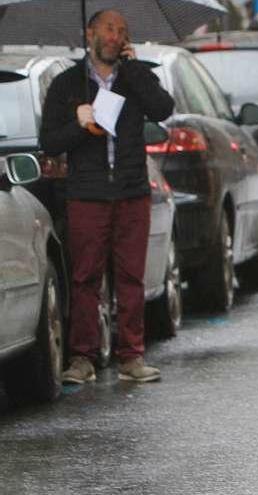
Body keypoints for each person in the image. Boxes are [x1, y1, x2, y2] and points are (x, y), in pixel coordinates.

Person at [40, 9, 174, 384]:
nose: (116, 36)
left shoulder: (135, 78)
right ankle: (83, 357)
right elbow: (49, 141)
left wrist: (132, 71)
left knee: (131, 277)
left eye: (122, 31)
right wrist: (79, 122)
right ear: (90, 33)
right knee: (86, 277)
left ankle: (131, 356)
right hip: (87, 194)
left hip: (131, 191)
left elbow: (163, 108)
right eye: (109, 29)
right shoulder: (68, 85)